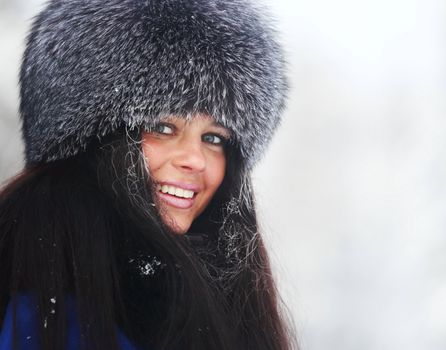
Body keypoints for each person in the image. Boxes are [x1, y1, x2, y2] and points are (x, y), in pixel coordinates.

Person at [0, 0, 295, 349]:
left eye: (214, 138)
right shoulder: (43, 314)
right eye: (162, 127)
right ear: (91, 141)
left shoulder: (215, 299)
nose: (195, 160)